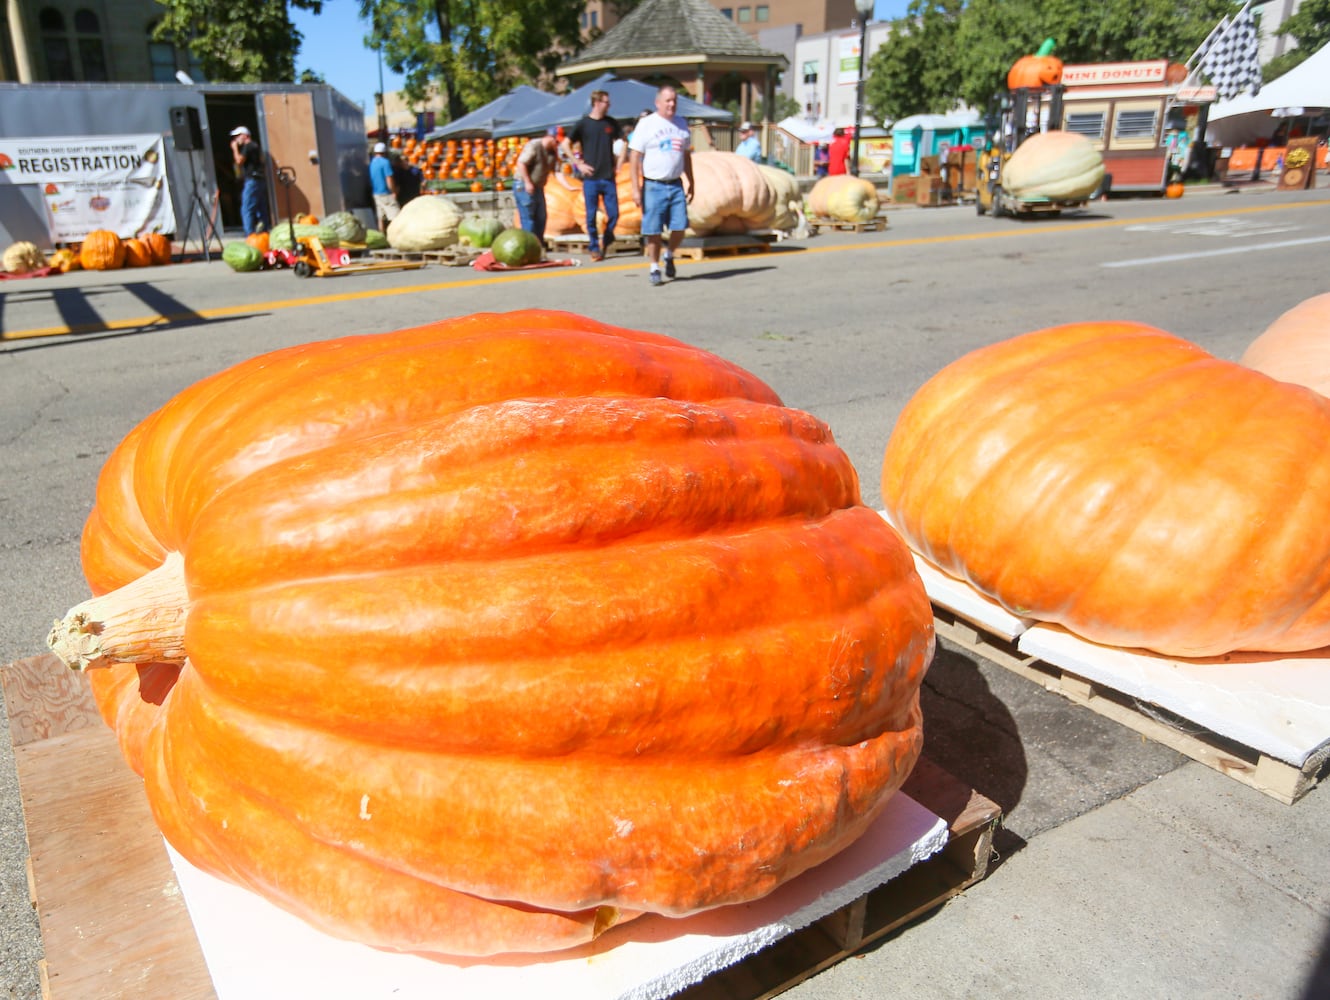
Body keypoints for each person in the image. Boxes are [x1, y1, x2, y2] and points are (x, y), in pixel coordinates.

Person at [629, 85, 694, 287]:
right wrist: (634, 187)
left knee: (680, 226)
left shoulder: (681, 124)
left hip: (675, 184)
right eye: (668, 101)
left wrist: (692, 181)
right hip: (653, 185)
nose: (672, 104)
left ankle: (669, 254)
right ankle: (654, 267)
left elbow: (686, 155)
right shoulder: (647, 124)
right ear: (658, 103)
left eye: (674, 100)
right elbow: (634, 156)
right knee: (654, 230)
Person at [563, 89, 624, 261]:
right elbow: (565, 144)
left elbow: (623, 141)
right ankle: (594, 247)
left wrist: (619, 164)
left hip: (608, 176)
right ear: (597, 103)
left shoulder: (611, 123)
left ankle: (607, 238)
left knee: (614, 214)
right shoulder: (583, 124)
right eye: (606, 102)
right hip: (591, 178)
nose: (609, 105)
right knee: (590, 216)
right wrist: (578, 164)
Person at [514, 128, 560, 244]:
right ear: (550, 138)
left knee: (541, 216)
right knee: (529, 217)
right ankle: (529, 244)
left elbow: (557, 172)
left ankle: (538, 244)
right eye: (557, 142)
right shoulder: (534, 145)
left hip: (538, 186)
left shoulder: (552, 152)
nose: (557, 145)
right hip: (524, 185)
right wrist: (527, 182)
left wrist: (568, 187)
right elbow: (521, 163)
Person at [229, 125, 269, 235]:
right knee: (261, 208)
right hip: (259, 180)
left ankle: (249, 234)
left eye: (238, 136)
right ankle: (264, 232)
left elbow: (239, 161)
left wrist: (234, 149)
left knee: (246, 208)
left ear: (245, 135)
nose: (236, 140)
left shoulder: (248, 146)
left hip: (252, 180)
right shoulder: (256, 146)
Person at [370, 142, 399, 231]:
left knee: (380, 217)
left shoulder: (372, 162)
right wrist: (393, 191)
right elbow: (389, 179)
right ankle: (395, 235)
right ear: (385, 152)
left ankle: (381, 236)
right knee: (395, 216)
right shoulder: (385, 162)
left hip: (376, 193)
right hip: (386, 193)